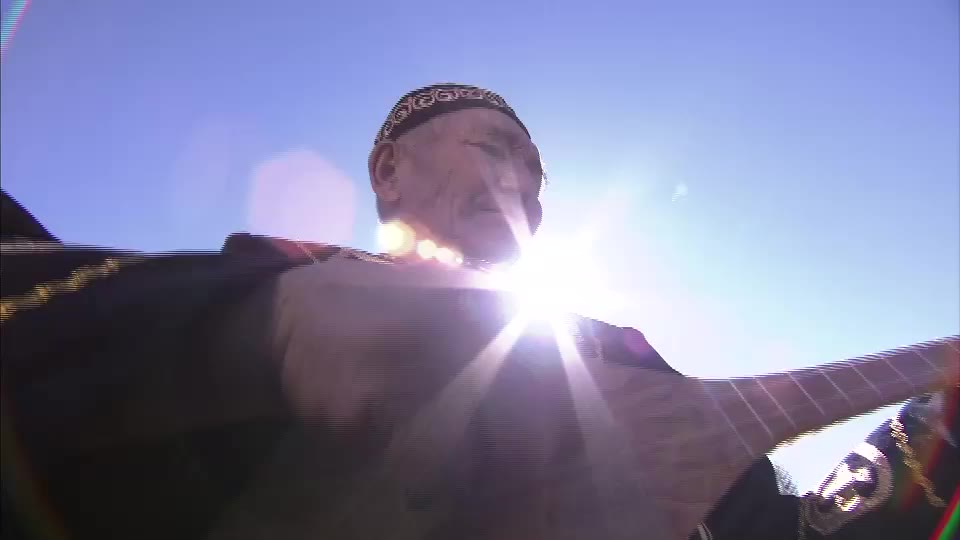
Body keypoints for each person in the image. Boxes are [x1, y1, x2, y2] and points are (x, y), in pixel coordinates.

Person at [1, 84, 956, 540]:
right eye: (495, 150)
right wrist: (263, 329)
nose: (524, 191)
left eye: (537, 179)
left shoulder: (615, 358)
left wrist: (933, 431)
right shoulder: (261, 286)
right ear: (389, 170)